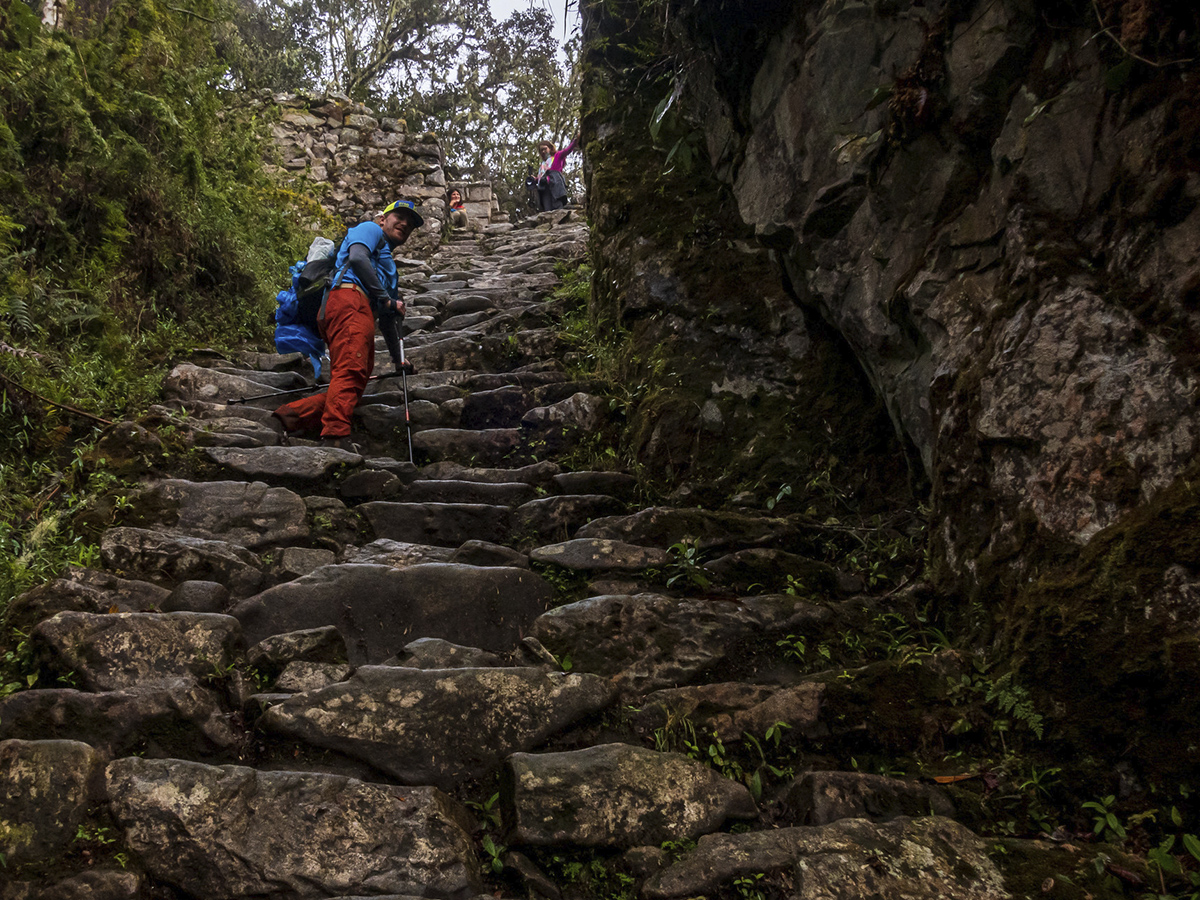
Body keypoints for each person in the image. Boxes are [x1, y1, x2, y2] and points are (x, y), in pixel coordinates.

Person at [271, 199, 423, 449]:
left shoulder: (389, 270)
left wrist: (398, 361)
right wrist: (386, 300)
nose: (405, 224)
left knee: (352, 384)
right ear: (383, 219)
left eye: (411, 223)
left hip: (356, 310)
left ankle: (286, 418)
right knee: (350, 372)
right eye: (399, 216)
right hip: (348, 299)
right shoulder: (370, 229)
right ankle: (335, 437)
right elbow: (357, 258)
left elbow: (387, 321)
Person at [533, 132, 580, 211]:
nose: (543, 151)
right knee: (547, 209)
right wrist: (535, 179)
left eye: (545, 149)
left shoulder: (557, 156)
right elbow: (541, 177)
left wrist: (575, 141)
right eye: (541, 150)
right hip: (545, 188)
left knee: (558, 206)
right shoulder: (543, 164)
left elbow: (567, 151)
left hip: (555, 184)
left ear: (550, 148)